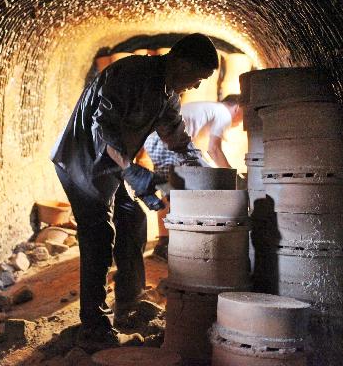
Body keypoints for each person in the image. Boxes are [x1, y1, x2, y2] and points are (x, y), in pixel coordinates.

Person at [50, 33, 219, 349]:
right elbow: (103, 130)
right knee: (99, 235)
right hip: (82, 161)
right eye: (198, 77)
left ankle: (129, 304)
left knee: (133, 219)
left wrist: (208, 173)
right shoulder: (131, 74)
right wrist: (132, 171)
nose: (197, 86)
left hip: (110, 167)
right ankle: (94, 325)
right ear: (181, 62)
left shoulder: (167, 94)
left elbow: (177, 139)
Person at [144, 95, 244, 259]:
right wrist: (232, 177)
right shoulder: (223, 113)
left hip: (155, 139)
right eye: (244, 115)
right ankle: (196, 241)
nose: (241, 122)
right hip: (166, 141)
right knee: (204, 182)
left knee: (169, 191)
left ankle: (164, 243)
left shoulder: (208, 109)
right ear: (237, 107)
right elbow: (214, 150)